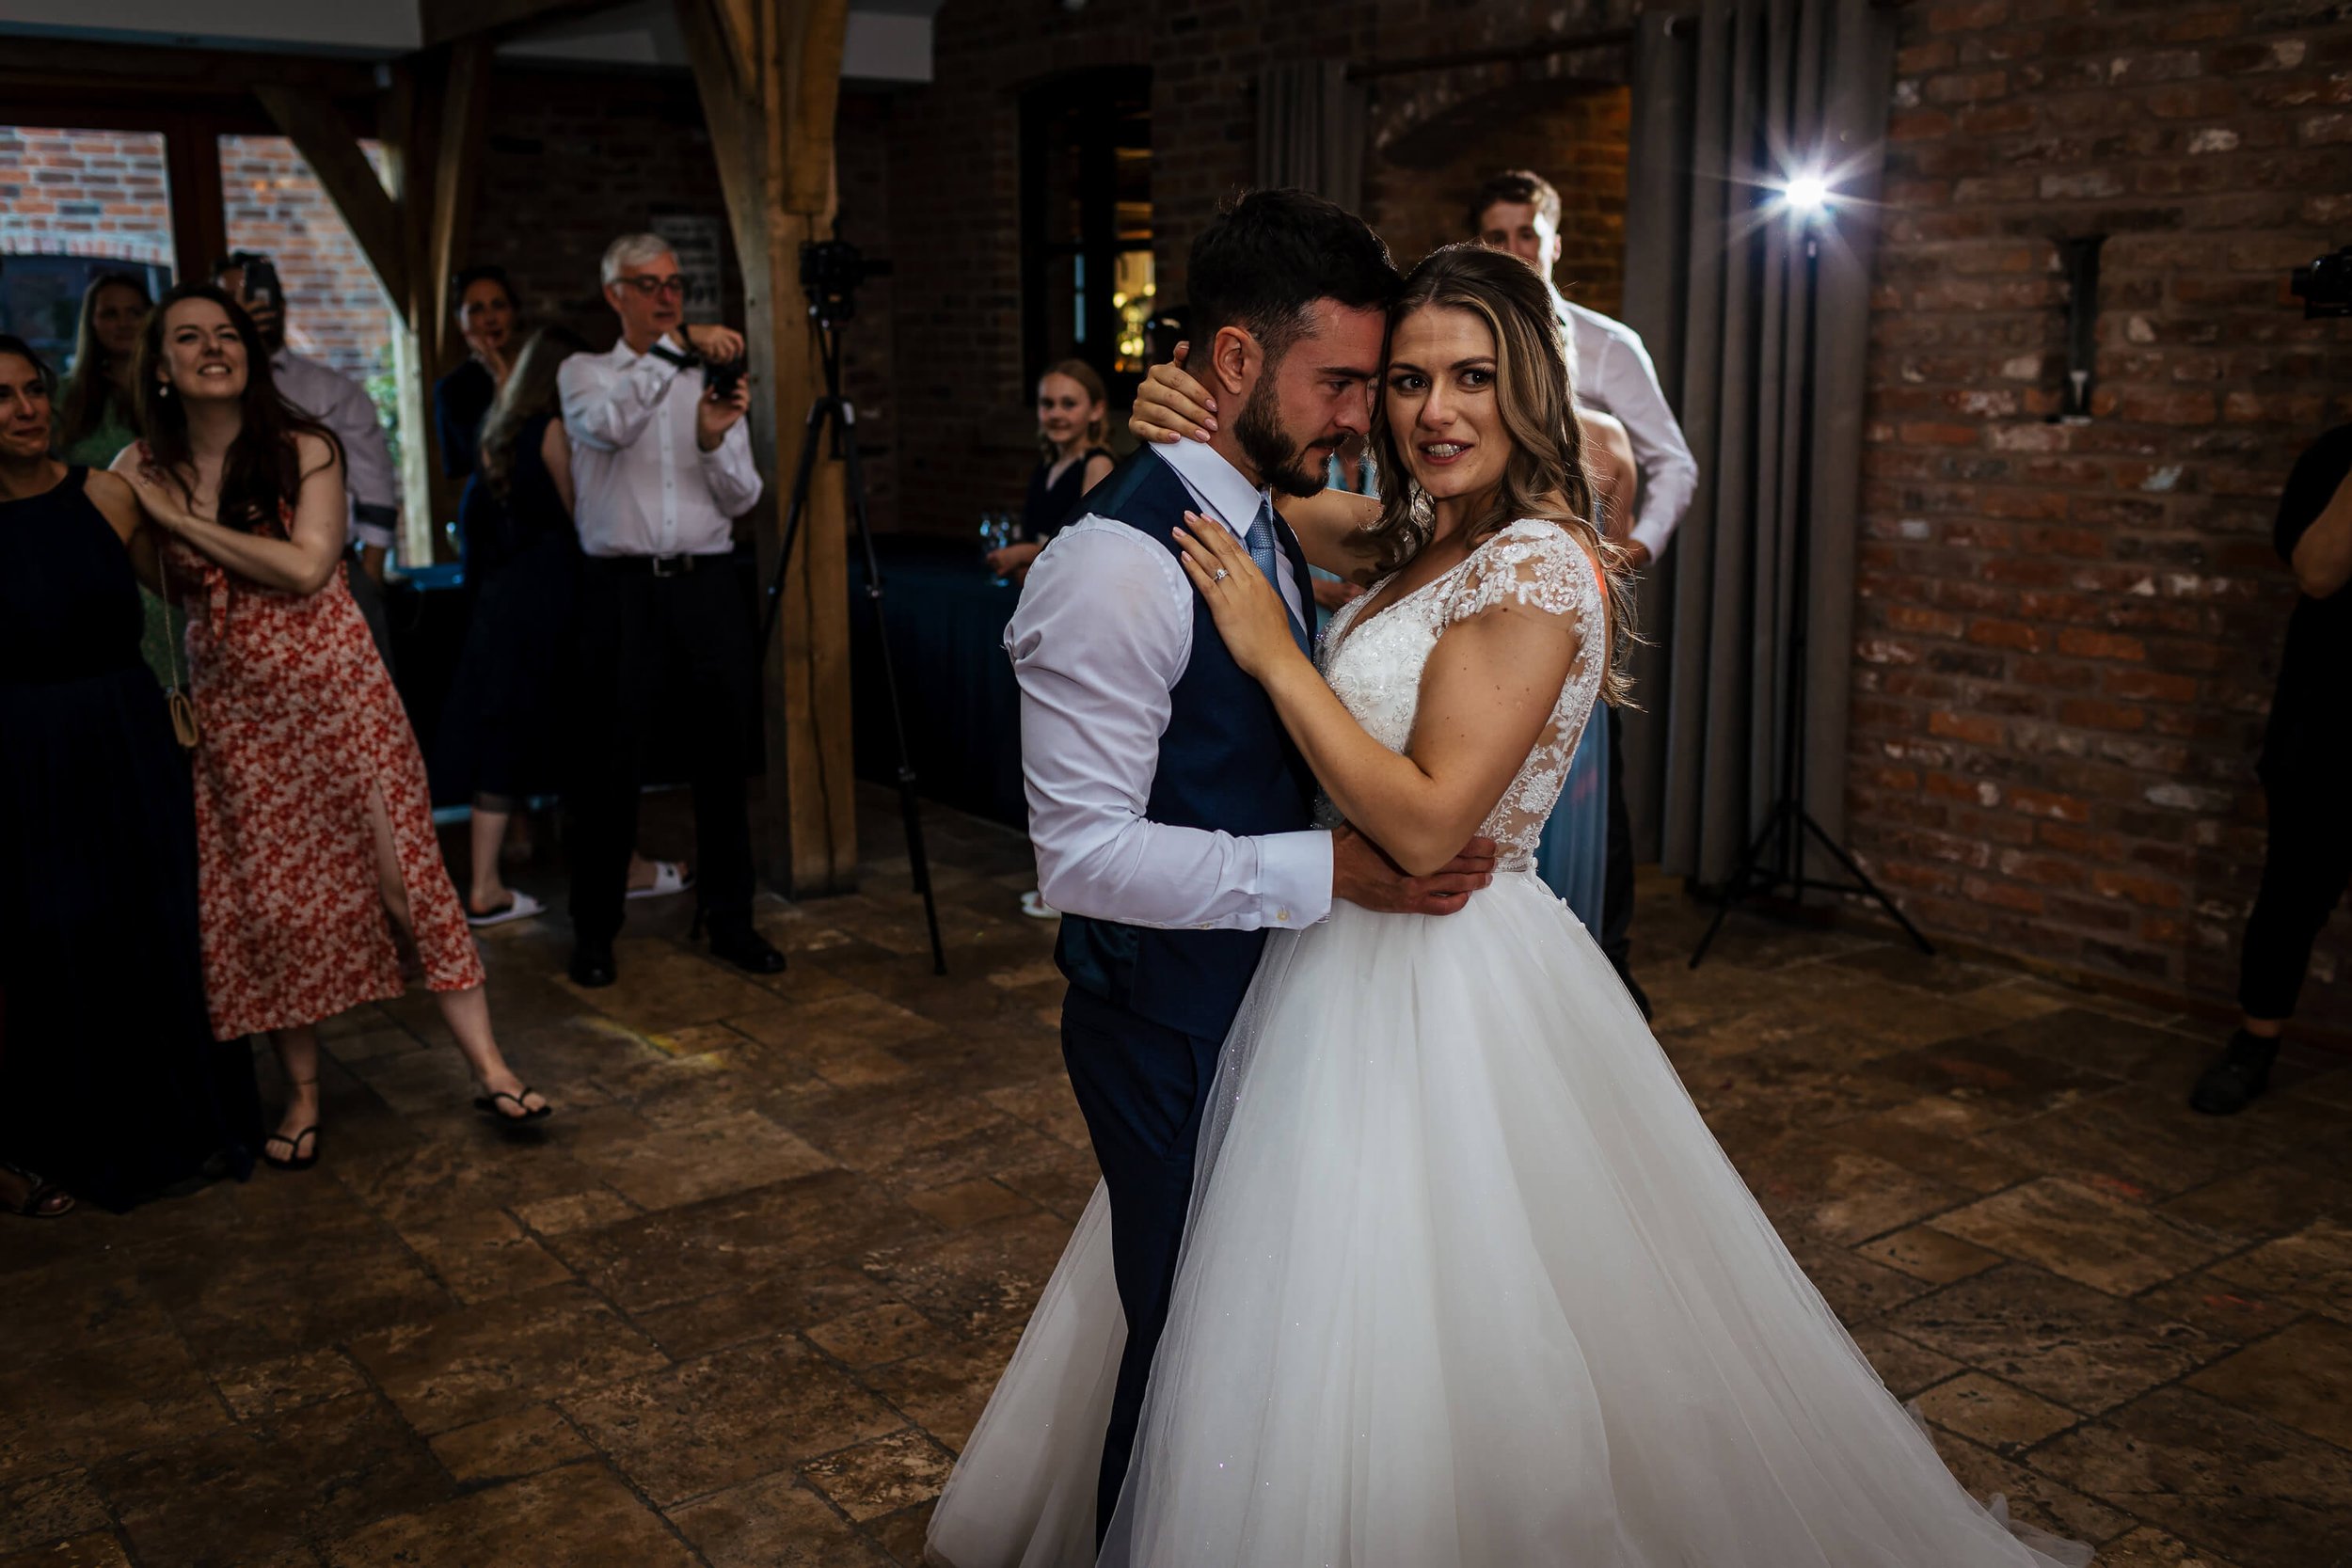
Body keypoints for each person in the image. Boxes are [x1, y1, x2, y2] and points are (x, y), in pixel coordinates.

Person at [930, 242, 2091, 1568]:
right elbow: (1264, 500)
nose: (1431, 411)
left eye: (1472, 376)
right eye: (1404, 380)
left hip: (1444, 967)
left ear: (1531, 382)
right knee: (1296, 1309)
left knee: (1451, 1314)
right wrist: (1172, 400)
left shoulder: (1540, 568)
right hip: (1326, 958)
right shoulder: (1420, 534)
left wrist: (1271, 649)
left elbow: (1427, 819)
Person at [948, 191, 1504, 1552]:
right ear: (1239, 363)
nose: (1361, 416)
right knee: (1192, 1337)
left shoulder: (1255, 507)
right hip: (1164, 1019)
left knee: (1257, 1342)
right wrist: (1334, 867)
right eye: (1345, 383)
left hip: (1262, 996)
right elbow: (1082, 854)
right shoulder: (1111, 565)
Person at [113, 286, 552, 1169]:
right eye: (188, 338)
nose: (212, 348)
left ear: (250, 354)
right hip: (237, 710)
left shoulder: (304, 447)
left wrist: (174, 519)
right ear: (159, 367)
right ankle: (303, 1096)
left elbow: (310, 567)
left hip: (339, 694)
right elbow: (167, 586)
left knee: (405, 885)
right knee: (271, 907)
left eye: (226, 335)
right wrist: (162, 526)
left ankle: (492, 1065)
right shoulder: (140, 466)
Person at [0, 335, 259, 1216]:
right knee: (61, 941)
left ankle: (194, 1126)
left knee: (160, 924)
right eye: (2, 397)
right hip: (26, 752)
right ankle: (89, 1141)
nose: (26, 408)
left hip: (125, 732)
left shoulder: (106, 495)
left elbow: (190, 590)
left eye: (34, 389)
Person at [1475, 167, 1700, 1016]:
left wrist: (1635, 548)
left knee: (1586, 796)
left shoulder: (1607, 345)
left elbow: (1670, 459)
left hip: (1575, 601)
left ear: (1554, 241)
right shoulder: (1460, 341)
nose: (1512, 250)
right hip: (1478, 598)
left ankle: (1598, 979)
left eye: (1525, 234)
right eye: (1495, 237)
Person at [559, 232, 781, 988]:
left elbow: (745, 495)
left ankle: (732, 921)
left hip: (707, 584)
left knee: (722, 760)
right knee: (608, 766)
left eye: (675, 283)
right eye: (647, 284)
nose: (666, 295)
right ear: (614, 293)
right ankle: (594, 931)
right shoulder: (585, 373)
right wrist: (672, 349)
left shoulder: (708, 381)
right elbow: (605, 427)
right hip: (620, 592)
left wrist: (714, 441)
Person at [437, 325, 691, 926]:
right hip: (556, 599)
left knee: (504, 737)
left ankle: (485, 885)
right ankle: (623, 867)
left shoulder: (497, 433)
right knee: (594, 736)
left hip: (503, 601)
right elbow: (586, 516)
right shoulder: (550, 431)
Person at [2194, 422, 2352, 1115]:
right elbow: (2320, 572)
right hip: (2329, 718)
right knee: (2293, 889)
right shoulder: (2334, 455)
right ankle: (2255, 1042)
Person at [214, 252, 401, 667]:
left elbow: (376, 488)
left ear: (280, 307)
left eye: (255, 297)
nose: (247, 309)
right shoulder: (207, 399)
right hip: (239, 580)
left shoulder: (331, 390)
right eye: (231, 303)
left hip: (335, 573)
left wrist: (366, 577)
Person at [986, 359, 1118, 583]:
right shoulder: (1048, 465)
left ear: (1096, 410)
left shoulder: (1097, 464)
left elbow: (1086, 545)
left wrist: (1022, 554)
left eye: (1068, 404)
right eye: (1047, 404)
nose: (1056, 414)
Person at [436, 265, 519, 482]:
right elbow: (470, 465)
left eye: (498, 306)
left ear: (513, 313)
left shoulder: (539, 374)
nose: (490, 318)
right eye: (477, 309)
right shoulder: (453, 390)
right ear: (459, 321)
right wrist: (499, 376)